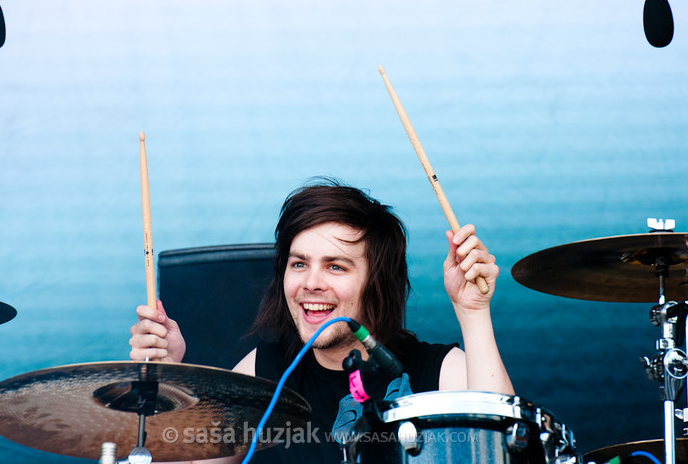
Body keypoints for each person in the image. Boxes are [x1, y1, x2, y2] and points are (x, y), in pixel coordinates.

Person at [129, 178, 513, 463]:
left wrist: (473, 312)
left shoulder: (437, 371)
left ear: (376, 282)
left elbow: (507, 448)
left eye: (335, 266)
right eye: (299, 264)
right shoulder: (266, 372)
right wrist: (169, 381)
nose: (311, 283)